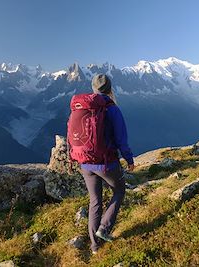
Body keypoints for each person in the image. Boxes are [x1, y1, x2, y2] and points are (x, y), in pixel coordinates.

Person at [80, 74, 134, 254]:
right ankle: (104, 228)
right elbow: (121, 140)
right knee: (119, 190)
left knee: (95, 201)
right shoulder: (112, 109)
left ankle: (95, 247)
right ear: (110, 89)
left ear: (93, 88)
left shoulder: (84, 107)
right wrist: (129, 159)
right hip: (106, 163)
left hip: (85, 163)